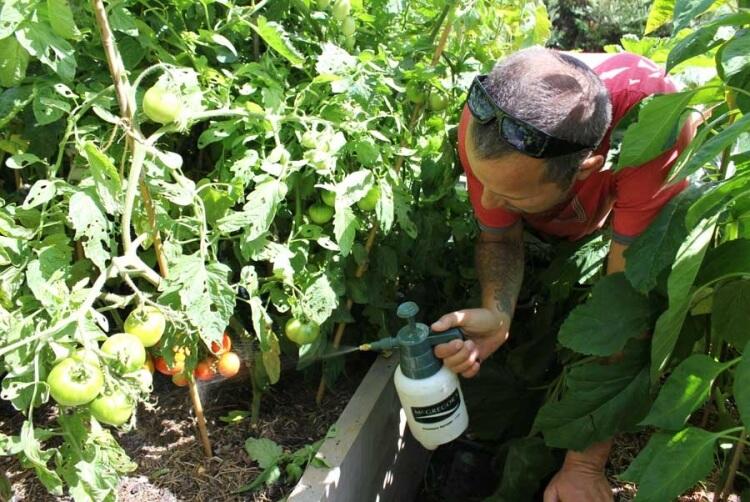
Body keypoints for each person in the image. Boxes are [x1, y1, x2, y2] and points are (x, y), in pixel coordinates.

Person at [430, 47, 696, 501]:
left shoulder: (657, 131)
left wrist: (585, 464)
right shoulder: (489, 117)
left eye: (510, 194)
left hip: (621, 212)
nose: (488, 204)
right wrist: (498, 311)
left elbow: (623, 308)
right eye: (482, 182)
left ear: (589, 168)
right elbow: (498, 236)